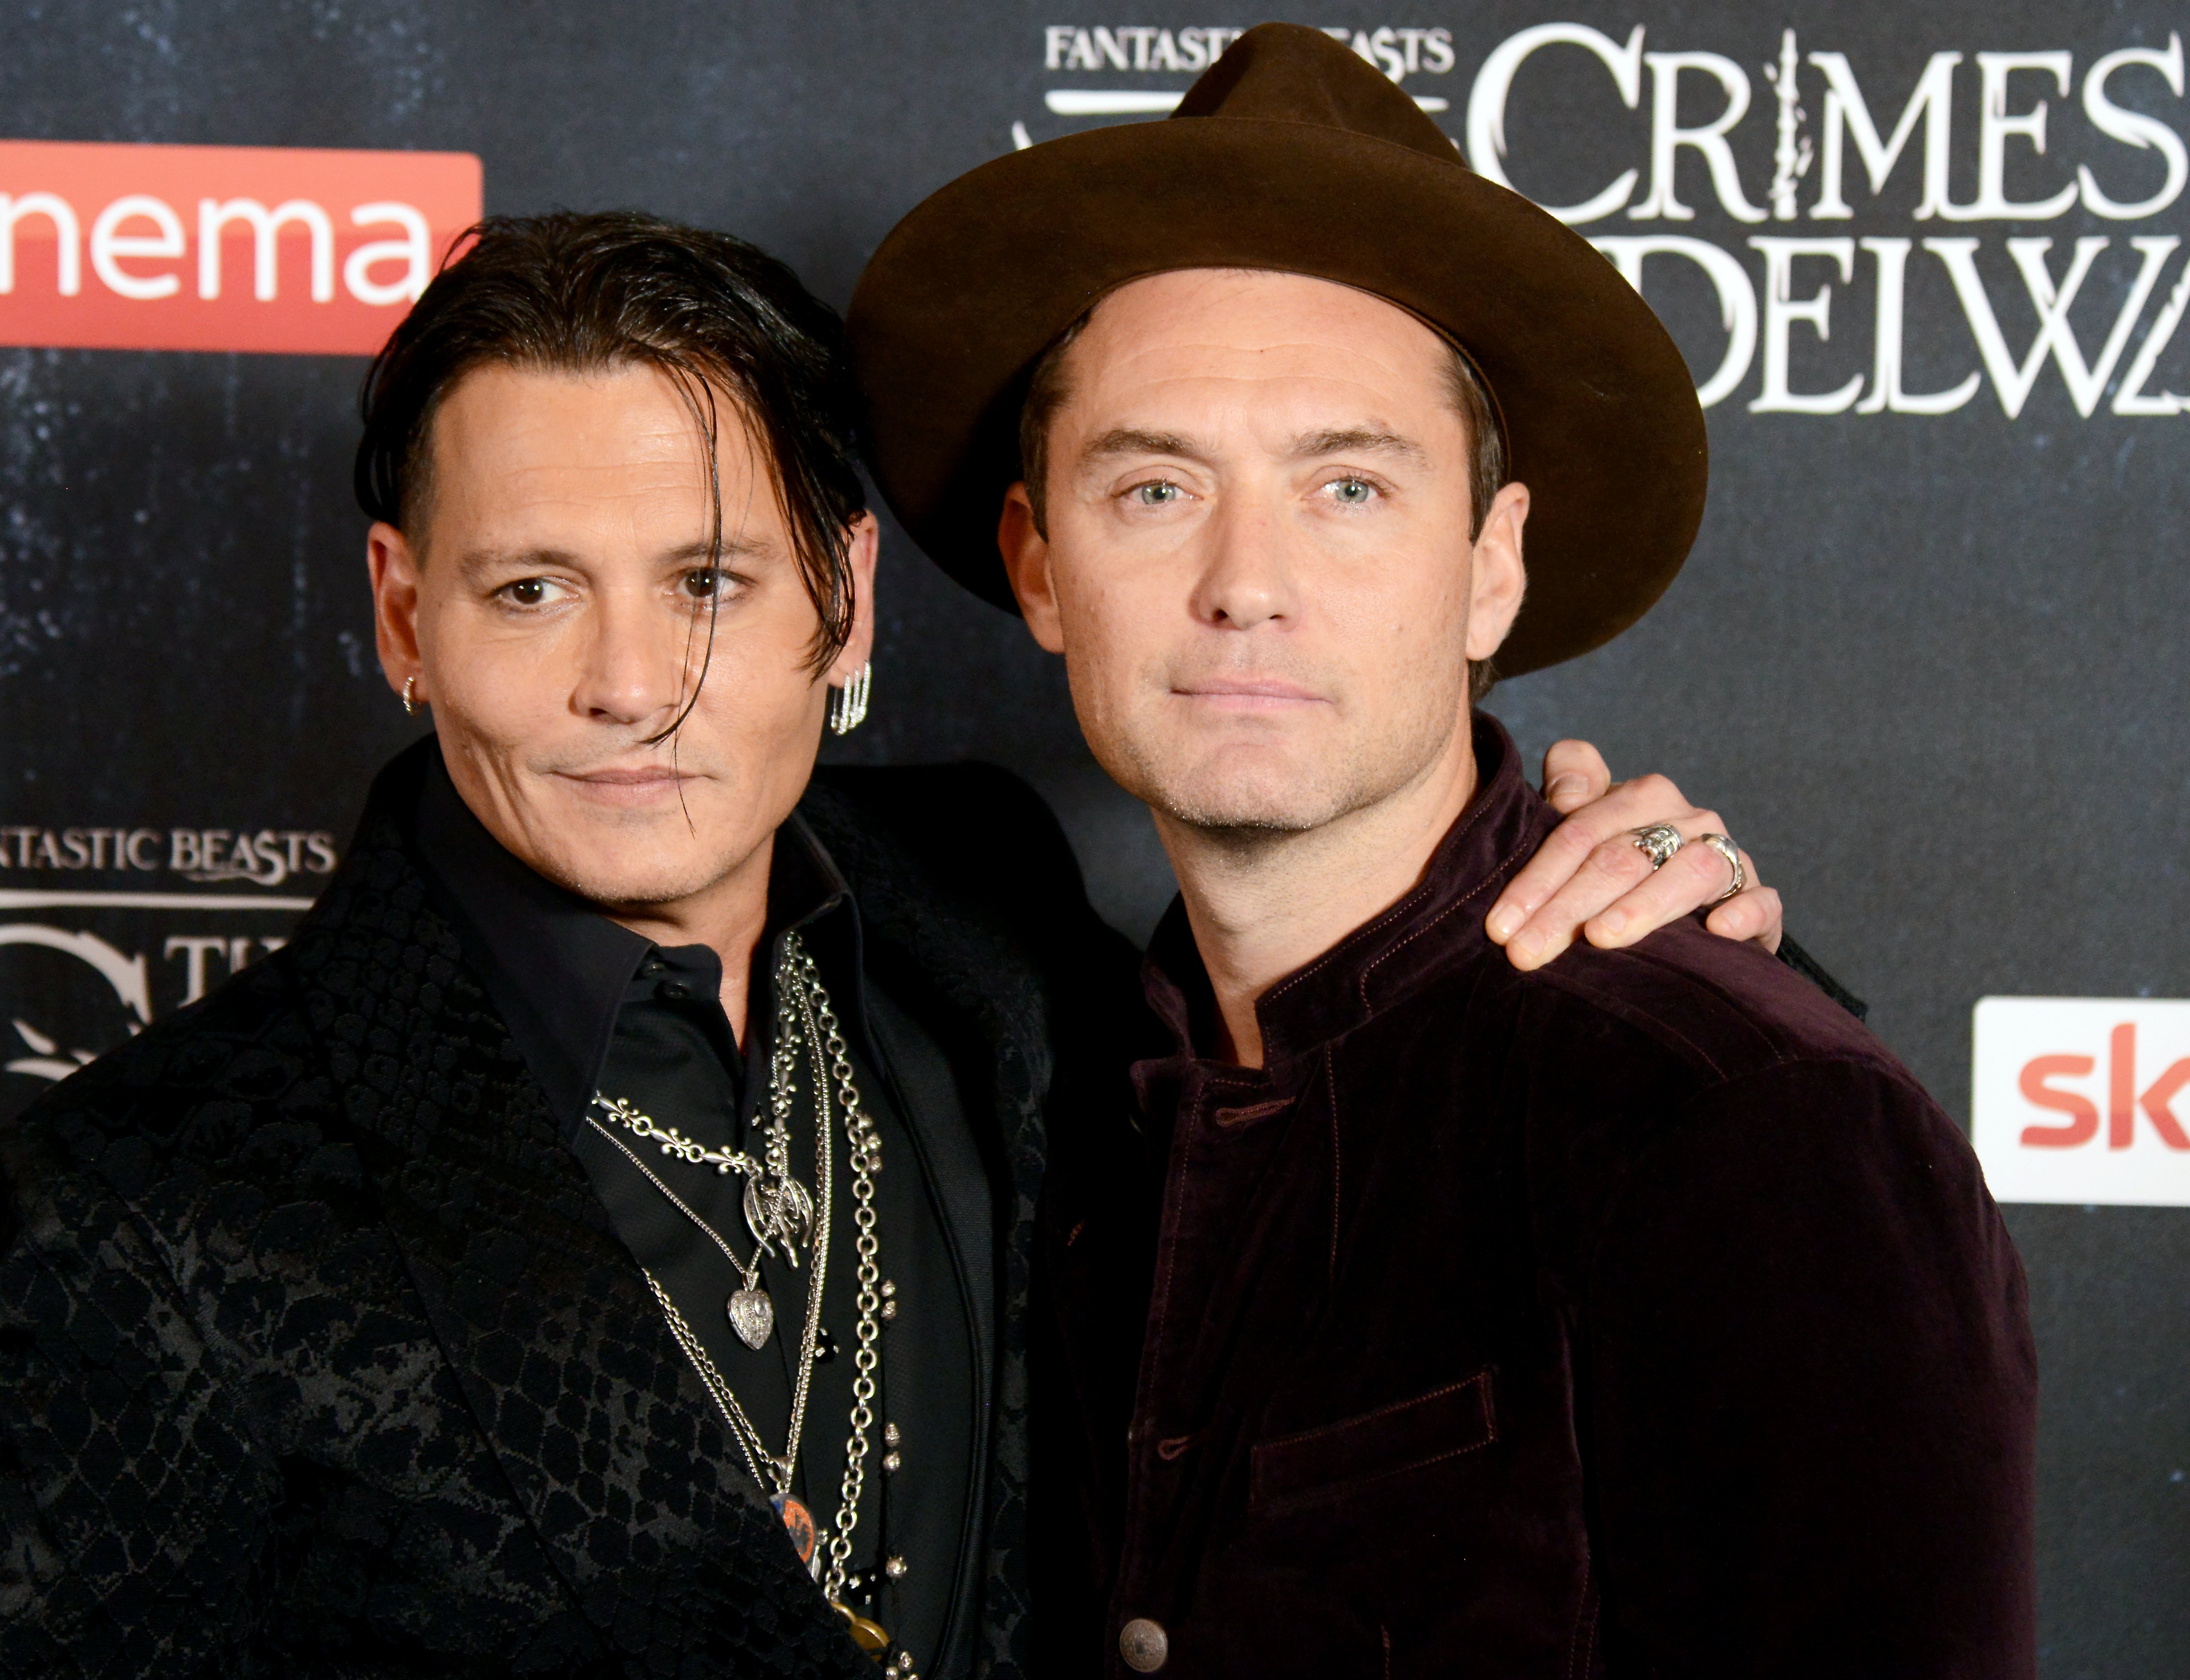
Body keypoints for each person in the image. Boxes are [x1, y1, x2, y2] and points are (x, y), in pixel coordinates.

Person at [0, 212, 1798, 1680]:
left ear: (847, 593)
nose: (630, 689)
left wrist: (1664, 936)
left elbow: (1366, 1134)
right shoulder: (156, 1204)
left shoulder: (987, 920)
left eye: (710, 584)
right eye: (532, 588)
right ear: (407, 615)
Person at [846, 24, 2035, 1680]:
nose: (1243, 579)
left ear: (1490, 568)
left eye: (1346, 488)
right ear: (1037, 565)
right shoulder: (1050, 1082)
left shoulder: (1743, 1119)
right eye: (1151, 489)